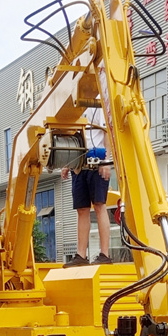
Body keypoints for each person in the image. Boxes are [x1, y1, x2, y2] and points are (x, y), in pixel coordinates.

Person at [61, 106, 113, 267]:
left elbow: (107, 132)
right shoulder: (73, 106)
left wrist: (106, 161)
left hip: (97, 160)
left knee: (99, 205)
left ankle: (105, 254)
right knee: (81, 209)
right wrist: (67, 163)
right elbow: (70, 136)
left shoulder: (98, 104)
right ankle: (81, 255)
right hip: (78, 163)